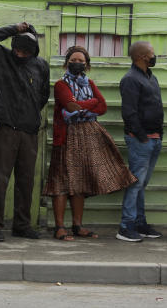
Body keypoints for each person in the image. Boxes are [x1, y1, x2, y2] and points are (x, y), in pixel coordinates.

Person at [43, 46, 135, 241]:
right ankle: (59, 227)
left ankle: (77, 226)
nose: (77, 63)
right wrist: (90, 103)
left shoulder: (90, 83)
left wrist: (82, 106)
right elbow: (69, 105)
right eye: (73, 60)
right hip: (66, 136)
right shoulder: (61, 85)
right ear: (66, 63)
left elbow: (102, 107)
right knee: (61, 181)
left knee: (81, 181)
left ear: (87, 64)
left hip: (88, 136)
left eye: (81, 61)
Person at [0, 23, 50, 242]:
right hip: (6, 129)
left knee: (26, 181)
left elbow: (43, 95)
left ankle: (22, 225)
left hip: (29, 131)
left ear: (33, 51)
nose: (20, 53)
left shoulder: (41, 66)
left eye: (26, 51)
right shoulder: (0, 57)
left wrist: (29, 114)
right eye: (17, 48)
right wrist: (14, 28)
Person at [117, 41, 164, 242]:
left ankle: (139, 223)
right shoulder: (130, 79)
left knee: (141, 184)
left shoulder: (150, 78)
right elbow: (129, 112)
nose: (154, 56)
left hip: (154, 139)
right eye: (152, 53)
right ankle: (125, 226)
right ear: (142, 57)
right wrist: (142, 137)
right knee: (135, 183)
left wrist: (158, 135)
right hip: (140, 140)